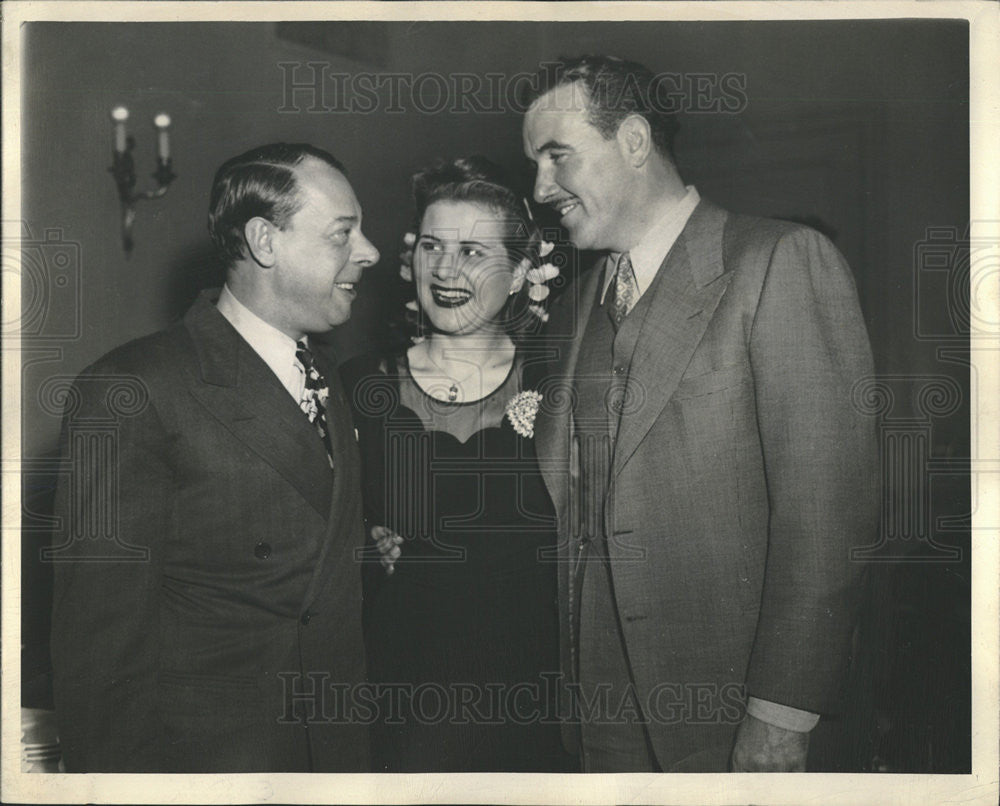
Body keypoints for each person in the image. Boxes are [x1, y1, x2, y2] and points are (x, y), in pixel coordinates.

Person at [521, 56, 879, 772]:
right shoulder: (577, 304)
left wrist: (782, 712)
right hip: (598, 722)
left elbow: (828, 514)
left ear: (632, 140)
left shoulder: (779, 261)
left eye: (557, 157)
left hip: (732, 719)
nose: (539, 189)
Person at [49, 142, 380, 772]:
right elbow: (100, 651)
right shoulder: (132, 389)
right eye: (344, 233)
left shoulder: (329, 379)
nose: (370, 252)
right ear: (265, 240)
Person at [340, 157, 572, 772]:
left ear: (522, 272)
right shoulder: (356, 385)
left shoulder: (562, 386)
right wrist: (364, 547)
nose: (445, 269)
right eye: (432, 246)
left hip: (537, 701)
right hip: (399, 698)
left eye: (473, 252)